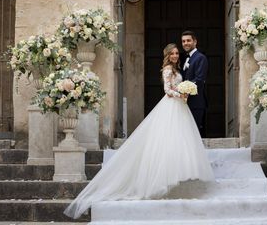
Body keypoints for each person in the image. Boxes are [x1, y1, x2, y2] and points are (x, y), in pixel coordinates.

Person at [64, 43, 214, 219]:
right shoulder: (167, 69)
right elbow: (166, 90)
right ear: (167, 55)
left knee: (181, 140)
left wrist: (184, 92)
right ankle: (162, 179)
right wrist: (180, 94)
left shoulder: (177, 69)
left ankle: (178, 176)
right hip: (172, 105)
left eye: (176, 53)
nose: (175, 55)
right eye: (172, 53)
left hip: (180, 107)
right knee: (166, 140)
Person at [181, 30, 209, 137]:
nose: (186, 43)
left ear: (195, 42)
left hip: (196, 103)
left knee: (193, 134)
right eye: (183, 41)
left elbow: (199, 80)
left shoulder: (200, 58)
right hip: (186, 102)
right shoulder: (187, 58)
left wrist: (183, 89)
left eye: (188, 40)